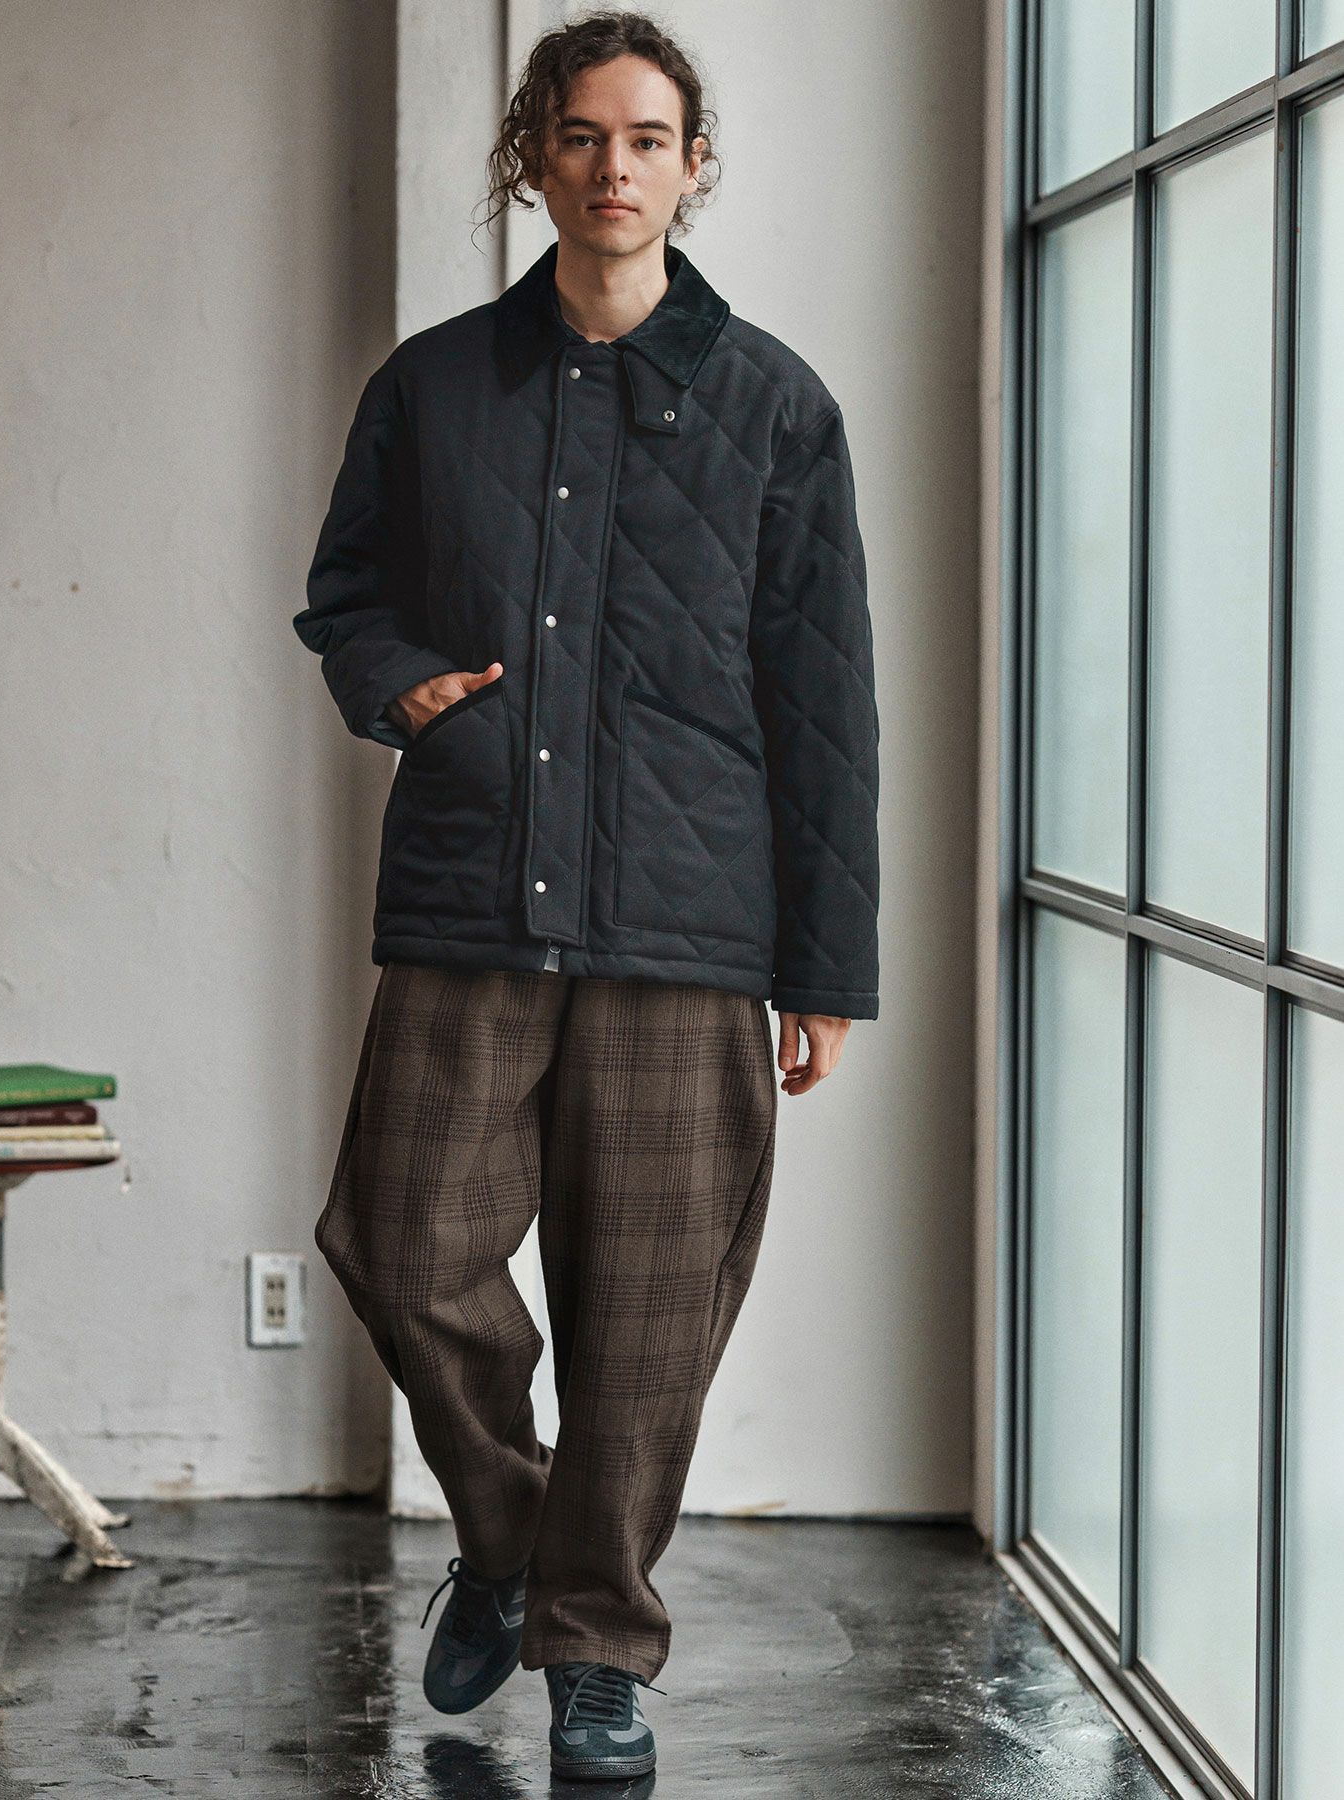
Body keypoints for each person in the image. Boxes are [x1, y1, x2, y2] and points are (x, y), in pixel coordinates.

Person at [293, 8, 880, 1784]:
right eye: (579, 135)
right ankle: (512, 1539)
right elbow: (346, 597)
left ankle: (600, 1655)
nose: (612, 166)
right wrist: (401, 688)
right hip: (471, 892)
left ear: (692, 167)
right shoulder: (432, 386)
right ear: (531, 160)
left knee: (646, 1319)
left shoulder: (777, 405)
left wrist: (825, 966)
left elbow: (825, 702)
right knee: (399, 1245)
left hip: (689, 928)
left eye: (646, 138)